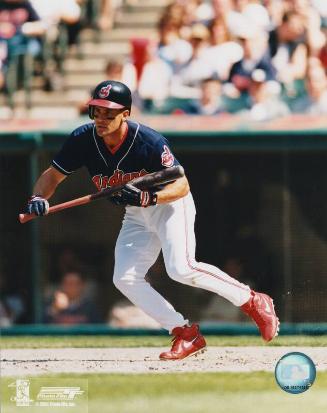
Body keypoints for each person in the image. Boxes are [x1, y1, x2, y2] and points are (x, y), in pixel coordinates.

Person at [25, 79, 279, 360]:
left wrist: (150, 198)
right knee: (124, 277)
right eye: (97, 111)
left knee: (181, 268)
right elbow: (52, 176)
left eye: (109, 113)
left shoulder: (148, 141)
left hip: (170, 204)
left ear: (126, 114)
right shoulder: (82, 139)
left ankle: (253, 300)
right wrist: (38, 198)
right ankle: (185, 333)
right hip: (136, 214)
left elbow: (181, 184)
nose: (101, 118)